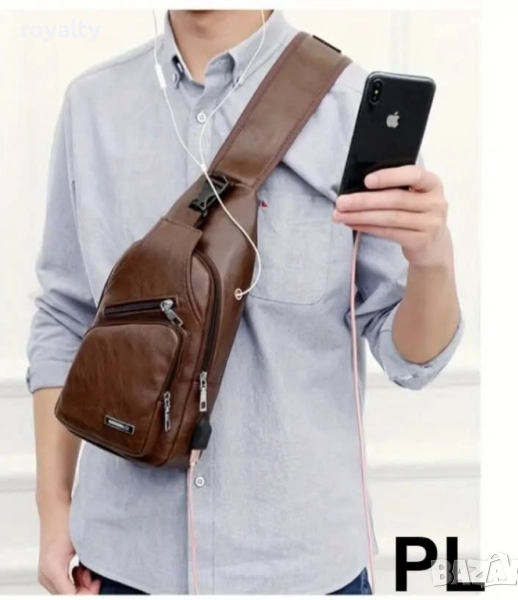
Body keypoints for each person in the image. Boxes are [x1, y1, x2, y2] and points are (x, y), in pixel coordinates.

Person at [27, 9, 463, 596]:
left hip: (303, 572)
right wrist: (53, 510)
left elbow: (410, 358)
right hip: (125, 563)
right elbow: (65, 317)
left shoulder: (347, 108)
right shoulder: (93, 108)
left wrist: (433, 260)